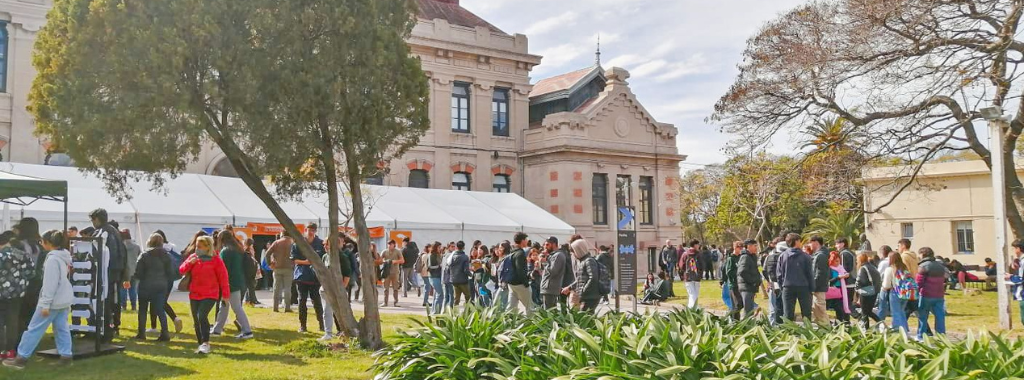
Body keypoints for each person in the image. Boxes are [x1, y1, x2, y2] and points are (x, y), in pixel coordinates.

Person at [2, 230, 73, 369]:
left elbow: (49, 284)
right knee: (62, 328)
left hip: (52, 301)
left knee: (34, 329)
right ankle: (66, 356)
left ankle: (21, 358)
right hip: (63, 299)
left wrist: (45, 304)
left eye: (42, 241)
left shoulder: (52, 259)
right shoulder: (63, 256)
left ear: (48, 243)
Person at [179, 236, 229, 354]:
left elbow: (223, 278)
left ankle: (206, 342)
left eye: (200, 247)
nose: (197, 249)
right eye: (196, 246)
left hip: (210, 293)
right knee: (196, 319)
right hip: (195, 293)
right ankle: (200, 343)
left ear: (207, 247)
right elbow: (181, 270)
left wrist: (225, 295)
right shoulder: (193, 258)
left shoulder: (216, 260)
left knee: (202, 315)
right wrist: (189, 264)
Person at [89, 208, 129, 343]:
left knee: (102, 302)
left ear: (96, 219)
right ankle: (109, 330)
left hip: (105, 272)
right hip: (115, 272)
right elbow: (122, 252)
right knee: (111, 303)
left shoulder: (102, 232)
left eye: (92, 220)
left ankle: (104, 332)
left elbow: (95, 253)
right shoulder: (115, 232)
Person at [211, 230, 254, 339]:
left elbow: (221, 269)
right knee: (224, 306)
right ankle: (217, 329)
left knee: (235, 307)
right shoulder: (238, 249)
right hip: (238, 281)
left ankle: (247, 331)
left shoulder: (225, 251)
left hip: (229, 283)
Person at [133, 233, 176, 341]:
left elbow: (138, 272)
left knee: (142, 309)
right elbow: (171, 273)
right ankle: (165, 333)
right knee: (160, 309)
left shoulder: (144, 255)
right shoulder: (167, 255)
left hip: (145, 285)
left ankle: (141, 333)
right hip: (161, 285)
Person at [0, 231, 33, 360]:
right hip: (17, 293)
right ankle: (10, 351)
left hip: (1, 292)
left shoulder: (1, 255)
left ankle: (1, 350)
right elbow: (31, 272)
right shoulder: (22, 255)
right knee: (12, 321)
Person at [14, 218, 43, 351]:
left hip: (18, 284)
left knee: (17, 315)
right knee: (29, 316)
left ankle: (17, 344)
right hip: (34, 285)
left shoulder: (18, 245)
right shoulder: (39, 246)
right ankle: (27, 344)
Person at [292, 230, 324, 332]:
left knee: (317, 301)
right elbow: (294, 259)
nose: (310, 233)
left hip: (315, 277)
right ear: (306, 231)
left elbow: (322, 258)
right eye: (309, 230)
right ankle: (303, 325)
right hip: (301, 276)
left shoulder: (320, 243)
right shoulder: (298, 244)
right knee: (302, 300)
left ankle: (322, 324)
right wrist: (307, 262)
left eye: (313, 231)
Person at [776, 233, 813, 322]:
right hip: (804, 286)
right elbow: (810, 274)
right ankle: (808, 332)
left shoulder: (782, 256)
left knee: (788, 313)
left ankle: (788, 333)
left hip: (787, 286)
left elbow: (779, 274)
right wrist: (811, 288)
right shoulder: (805, 256)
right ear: (796, 242)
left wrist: (782, 286)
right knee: (806, 312)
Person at [915, 247, 948, 341]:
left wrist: (915, 292)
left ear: (923, 255)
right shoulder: (940, 266)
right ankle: (941, 336)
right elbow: (946, 277)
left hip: (926, 294)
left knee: (923, 316)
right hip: (939, 294)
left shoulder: (923, 266)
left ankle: (921, 335)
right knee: (940, 316)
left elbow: (919, 282)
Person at [565, 238, 602, 312]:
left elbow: (593, 278)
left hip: (590, 296)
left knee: (585, 317)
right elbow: (580, 279)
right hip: (587, 296)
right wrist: (570, 287)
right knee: (584, 316)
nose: (573, 254)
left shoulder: (589, 261)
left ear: (579, 250)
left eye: (574, 251)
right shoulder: (583, 261)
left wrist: (583, 291)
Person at [882, 252, 912, 335]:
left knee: (896, 313)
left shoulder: (890, 269)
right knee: (901, 311)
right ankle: (905, 329)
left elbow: (886, 285)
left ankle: (898, 331)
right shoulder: (904, 268)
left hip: (895, 292)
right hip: (905, 292)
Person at [507, 232, 534, 315]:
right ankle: (532, 325)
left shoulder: (512, 252)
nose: (527, 241)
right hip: (520, 284)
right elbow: (520, 270)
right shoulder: (520, 253)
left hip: (511, 283)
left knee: (511, 307)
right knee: (530, 307)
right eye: (526, 240)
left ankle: (507, 323)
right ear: (522, 241)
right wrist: (526, 283)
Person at [267, 233, 295, 313]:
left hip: (277, 267)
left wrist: (269, 264)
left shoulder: (276, 242)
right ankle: (287, 307)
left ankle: (275, 307)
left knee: (276, 288)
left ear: (282, 234)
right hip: (289, 268)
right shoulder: (292, 243)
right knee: (287, 289)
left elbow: (267, 253)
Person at [854, 252, 882, 329]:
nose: (856, 261)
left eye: (857, 260)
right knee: (868, 311)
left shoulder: (863, 268)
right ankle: (880, 322)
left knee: (864, 312)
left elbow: (860, 281)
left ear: (860, 260)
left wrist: (856, 291)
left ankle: (866, 329)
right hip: (874, 291)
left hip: (866, 292)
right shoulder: (873, 267)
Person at [737, 239, 762, 319]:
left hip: (750, 287)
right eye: (755, 246)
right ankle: (745, 328)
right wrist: (752, 281)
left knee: (750, 310)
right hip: (746, 287)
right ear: (748, 246)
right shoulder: (745, 257)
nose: (756, 248)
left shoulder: (752, 257)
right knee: (748, 311)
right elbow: (742, 272)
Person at [540, 237, 568, 310]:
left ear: (554, 244)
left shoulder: (558, 255)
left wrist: (545, 262)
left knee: (549, 311)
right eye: (544, 245)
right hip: (547, 287)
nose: (545, 247)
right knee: (550, 310)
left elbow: (553, 271)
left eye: (547, 245)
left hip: (550, 288)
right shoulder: (552, 255)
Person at [809, 235, 831, 326]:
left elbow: (820, 274)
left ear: (816, 243)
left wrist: (814, 286)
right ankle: (822, 329)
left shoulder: (821, 255)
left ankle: (827, 329)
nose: (809, 245)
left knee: (821, 310)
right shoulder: (818, 254)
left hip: (819, 288)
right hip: (817, 287)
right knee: (816, 310)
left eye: (810, 242)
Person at [763, 238, 785, 325]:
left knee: (773, 307)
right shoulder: (784, 256)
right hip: (779, 284)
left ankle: (773, 326)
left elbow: (764, 270)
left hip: (773, 284)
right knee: (779, 307)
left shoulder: (769, 256)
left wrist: (769, 281)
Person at [825, 251, 851, 324]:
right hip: (831, 291)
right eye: (836, 261)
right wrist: (838, 277)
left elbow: (845, 278)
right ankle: (826, 323)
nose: (838, 263)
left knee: (840, 309)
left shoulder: (840, 268)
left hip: (840, 290)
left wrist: (846, 275)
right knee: (825, 308)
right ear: (831, 261)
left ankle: (839, 324)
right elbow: (828, 281)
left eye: (839, 261)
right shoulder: (829, 269)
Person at [120, 230, 142, 311]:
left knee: (123, 289)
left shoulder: (121, 246)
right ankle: (133, 306)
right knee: (133, 289)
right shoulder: (136, 246)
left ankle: (123, 305)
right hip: (134, 270)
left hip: (125, 271)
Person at [721, 241, 742, 320]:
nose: (740, 249)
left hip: (740, 284)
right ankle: (734, 320)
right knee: (736, 305)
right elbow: (728, 272)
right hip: (733, 284)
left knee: (739, 304)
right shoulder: (731, 258)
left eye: (741, 247)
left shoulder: (740, 257)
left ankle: (735, 318)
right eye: (739, 247)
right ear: (735, 248)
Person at [679, 240, 702, 309]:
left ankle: (691, 309)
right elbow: (702, 265)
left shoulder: (685, 254)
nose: (699, 246)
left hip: (687, 276)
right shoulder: (699, 254)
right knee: (695, 294)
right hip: (697, 276)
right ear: (695, 245)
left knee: (691, 294)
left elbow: (681, 265)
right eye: (698, 244)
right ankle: (693, 309)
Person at [836, 237, 856, 313]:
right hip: (852, 280)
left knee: (845, 304)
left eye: (837, 244)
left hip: (846, 282)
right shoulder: (851, 252)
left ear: (842, 244)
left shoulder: (843, 254)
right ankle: (846, 321)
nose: (836, 246)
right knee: (848, 303)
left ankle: (857, 316)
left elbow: (843, 269)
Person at [448, 241, 471, 307]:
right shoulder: (465, 257)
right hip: (463, 280)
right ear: (463, 247)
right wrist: (471, 275)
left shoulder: (451, 256)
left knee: (456, 298)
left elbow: (448, 268)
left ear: (456, 247)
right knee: (467, 297)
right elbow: (466, 270)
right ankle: (467, 311)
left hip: (454, 279)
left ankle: (455, 313)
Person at [1007, 240, 1024, 327]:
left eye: (1014, 248)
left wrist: (1010, 277)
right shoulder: (1020, 261)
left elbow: (1021, 279)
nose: (1014, 250)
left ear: (1018, 249)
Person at [242, 238, 260, 306]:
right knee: (250, 287)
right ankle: (251, 301)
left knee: (250, 287)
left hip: (249, 271)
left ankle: (249, 300)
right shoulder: (247, 252)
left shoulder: (246, 251)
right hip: (249, 271)